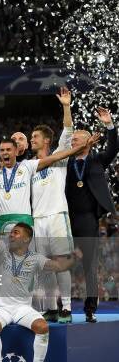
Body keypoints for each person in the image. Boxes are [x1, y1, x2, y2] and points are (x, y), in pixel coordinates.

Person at [0, 111, 93, 235]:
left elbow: (57, 156)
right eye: (2, 150)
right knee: (5, 265)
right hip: (2, 222)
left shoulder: (27, 166)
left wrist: (80, 147)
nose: (5, 153)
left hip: (25, 221)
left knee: (29, 264)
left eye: (8, 150)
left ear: (16, 151)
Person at [0, 222, 76, 362]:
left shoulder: (36, 258)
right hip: (0, 307)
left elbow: (60, 267)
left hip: (22, 308)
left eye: (16, 233)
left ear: (26, 239)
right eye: (11, 233)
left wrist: (76, 256)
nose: (11, 235)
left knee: (42, 327)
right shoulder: (2, 251)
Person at [66, 106, 117, 323]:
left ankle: (90, 309)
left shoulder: (96, 160)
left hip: (87, 218)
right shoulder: (64, 161)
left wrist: (109, 125)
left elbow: (113, 148)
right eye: (72, 140)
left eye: (76, 140)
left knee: (89, 264)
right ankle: (62, 308)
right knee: (60, 264)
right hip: (65, 217)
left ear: (88, 142)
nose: (72, 143)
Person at [30, 87, 76, 323]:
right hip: (38, 219)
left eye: (35, 136)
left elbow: (68, 132)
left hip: (57, 215)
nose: (31, 139)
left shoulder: (59, 156)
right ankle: (50, 308)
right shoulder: (29, 166)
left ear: (46, 140)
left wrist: (66, 106)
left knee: (61, 263)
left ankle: (66, 308)